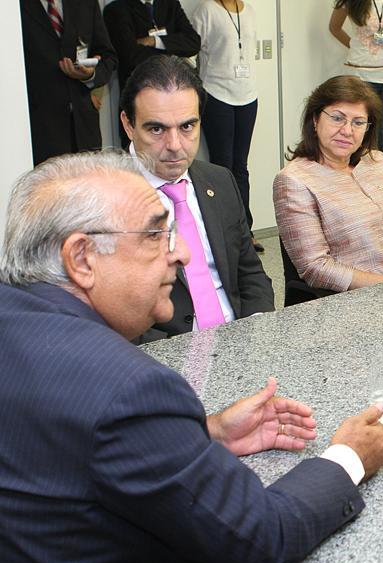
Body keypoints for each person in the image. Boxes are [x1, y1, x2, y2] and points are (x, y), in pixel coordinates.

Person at [0, 150, 383, 563]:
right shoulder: (128, 387)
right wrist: (349, 456)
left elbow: (64, 437)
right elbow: (261, 538)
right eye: (157, 234)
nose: (183, 253)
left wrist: (203, 432)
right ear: (83, 258)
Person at [119, 54, 274, 340]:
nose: (175, 146)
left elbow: (250, 273)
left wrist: (256, 330)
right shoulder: (103, 198)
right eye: (156, 129)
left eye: (187, 126)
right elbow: (105, 316)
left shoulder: (220, 181)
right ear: (129, 125)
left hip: (239, 340)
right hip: (165, 358)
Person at [273, 76, 383, 292]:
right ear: (315, 119)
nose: (347, 131)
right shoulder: (294, 180)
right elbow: (316, 268)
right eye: (337, 118)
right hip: (356, 301)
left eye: (358, 122)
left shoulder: (379, 162)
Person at [190, 0, 262, 250]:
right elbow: (190, 51)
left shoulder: (249, 10)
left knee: (241, 166)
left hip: (248, 96)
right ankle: (222, 231)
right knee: (222, 166)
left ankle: (245, 231)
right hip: (216, 94)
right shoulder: (207, 10)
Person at [19, 0, 118, 166]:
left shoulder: (86, 4)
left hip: (85, 131)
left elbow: (108, 57)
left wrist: (90, 75)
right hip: (38, 133)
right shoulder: (13, 7)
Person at [330, 0, 383, 167]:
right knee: (362, 143)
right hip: (361, 77)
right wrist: (355, 47)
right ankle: (361, 190)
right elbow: (334, 28)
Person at [104, 0, 200, 146]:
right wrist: (173, 54)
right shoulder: (116, 10)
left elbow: (193, 43)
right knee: (138, 162)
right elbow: (130, 56)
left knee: (177, 152)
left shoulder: (169, 4)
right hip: (141, 100)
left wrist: (155, 41)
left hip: (175, 99)